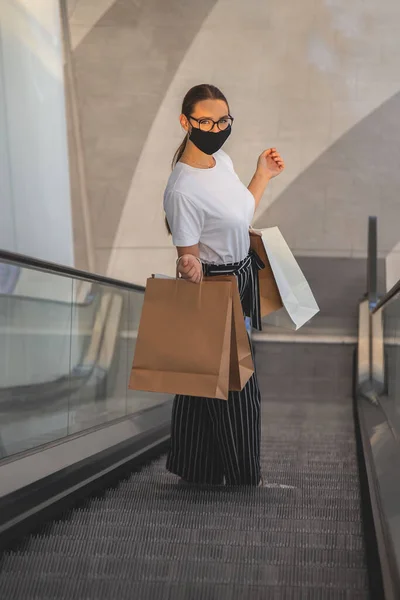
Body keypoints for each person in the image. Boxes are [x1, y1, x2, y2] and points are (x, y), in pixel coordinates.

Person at [163, 84, 285, 486]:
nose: (216, 128)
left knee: (205, 381)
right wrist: (188, 266)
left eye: (223, 120)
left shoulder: (223, 162)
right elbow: (188, 255)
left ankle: (196, 467)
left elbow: (240, 213)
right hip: (215, 287)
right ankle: (243, 474)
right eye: (206, 121)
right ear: (186, 122)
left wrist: (261, 175)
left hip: (241, 276)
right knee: (238, 388)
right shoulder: (182, 189)